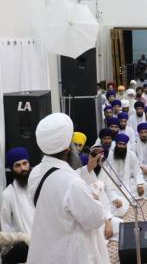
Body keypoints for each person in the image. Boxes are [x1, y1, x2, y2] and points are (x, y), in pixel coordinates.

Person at [27, 113, 110, 264]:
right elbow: (94, 219)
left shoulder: (36, 173)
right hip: (68, 255)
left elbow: (60, 181)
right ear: (67, 148)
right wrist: (95, 198)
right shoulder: (71, 183)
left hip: (46, 252)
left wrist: (88, 169)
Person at [1, 148, 35, 264]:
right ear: (12, 169)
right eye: (18, 165)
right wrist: (24, 238)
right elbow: (6, 226)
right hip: (24, 248)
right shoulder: (7, 195)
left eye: (25, 163)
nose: (23, 168)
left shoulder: (39, 186)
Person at [100, 133, 144, 217]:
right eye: (119, 144)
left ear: (126, 145)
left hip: (125, 187)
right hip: (111, 188)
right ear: (116, 144)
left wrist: (139, 184)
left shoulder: (131, 155)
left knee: (145, 186)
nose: (121, 146)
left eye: (124, 144)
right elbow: (105, 174)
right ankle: (111, 208)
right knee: (118, 208)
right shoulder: (109, 155)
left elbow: (137, 171)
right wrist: (113, 198)